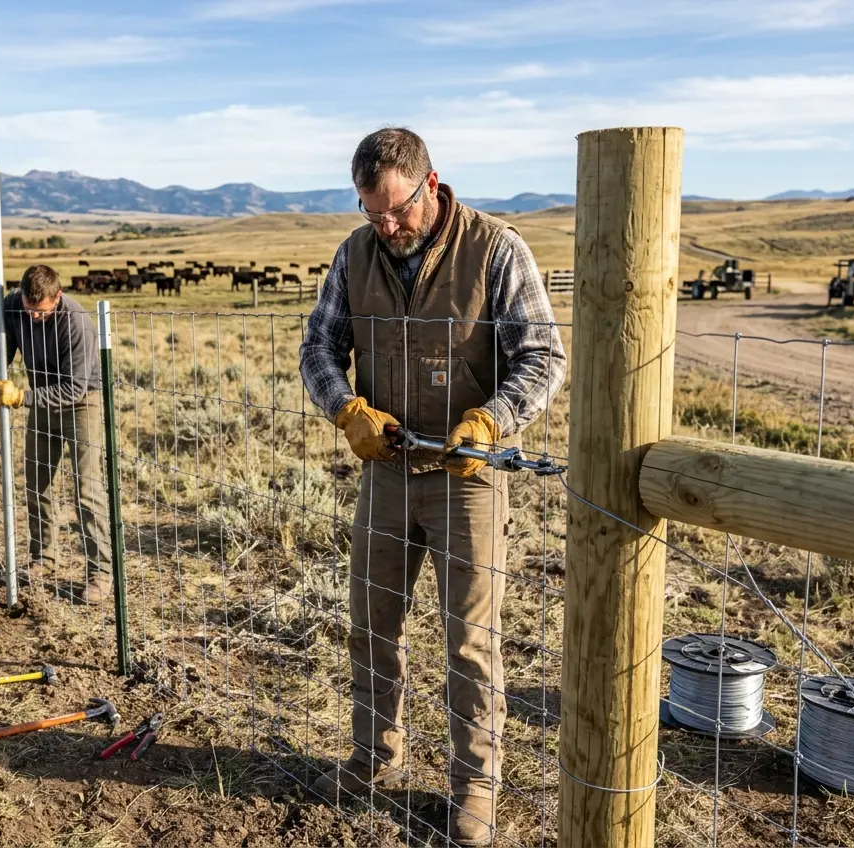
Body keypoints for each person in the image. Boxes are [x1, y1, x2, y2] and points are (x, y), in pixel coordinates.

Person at [299, 128, 566, 847]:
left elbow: (543, 357)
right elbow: (319, 346)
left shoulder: (496, 249)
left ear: (431, 183)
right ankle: (371, 756)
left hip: (467, 480)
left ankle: (474, 786)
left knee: (470, 643)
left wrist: (493, 418)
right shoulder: (356, 254)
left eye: (395, 209)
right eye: (369, 211)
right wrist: (344, 407)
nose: (385, 226)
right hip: (386, 473)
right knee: (371, 625)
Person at [0, 264, 112, 603]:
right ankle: (43, 559)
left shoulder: (77, 322)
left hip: (81, 404)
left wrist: (22, 397)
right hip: (40, 401)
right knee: (36, 484)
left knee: (87, 489)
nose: (34, 317)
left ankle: (100, 573)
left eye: (41, 312)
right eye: (29, 309)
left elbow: (73, 388)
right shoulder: (13, 307)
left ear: (58, 297)